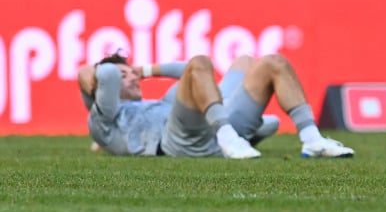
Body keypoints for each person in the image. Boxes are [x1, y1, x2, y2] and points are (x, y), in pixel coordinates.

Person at [78, 52, 355, 159]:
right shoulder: (105, 118)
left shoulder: (158, 102)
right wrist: (101, 79)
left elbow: (191, 71)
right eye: (124, 75)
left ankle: (312, 139)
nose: (131, 78)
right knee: (200, 64)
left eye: (131, 74)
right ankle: (234, 137)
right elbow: (98, 74)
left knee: (270, 63)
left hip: (202, 128)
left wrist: (144, 69)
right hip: (177, 143)